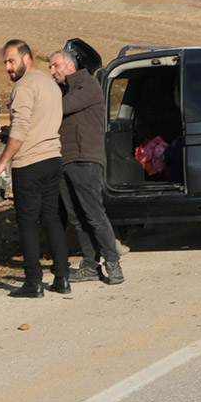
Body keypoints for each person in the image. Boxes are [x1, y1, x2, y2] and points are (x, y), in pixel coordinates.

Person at [0, 40, 70, 298]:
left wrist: (2, 162)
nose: (8, 68)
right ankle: (62, 278)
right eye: (5, 62)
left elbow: (23, 129)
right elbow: (37, 122)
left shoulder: (24, 86)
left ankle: (33, 282)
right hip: (53, 159)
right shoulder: (50, 83)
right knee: (52, 219)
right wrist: (10, 131)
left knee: (27, 222)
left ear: (26, 58)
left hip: (30, 163)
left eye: (11, 61)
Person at [48, 50, 124, 285]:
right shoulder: (66, 90)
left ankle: (113, 264)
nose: (52, 71)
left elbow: (62, 108)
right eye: (50, 67)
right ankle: (90, 265)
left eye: (55, 66)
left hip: (85, 160)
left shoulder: (86, 85)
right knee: (77, 218)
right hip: (66, 161)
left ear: (70, 66)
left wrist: (37, 102)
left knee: (94, 215)